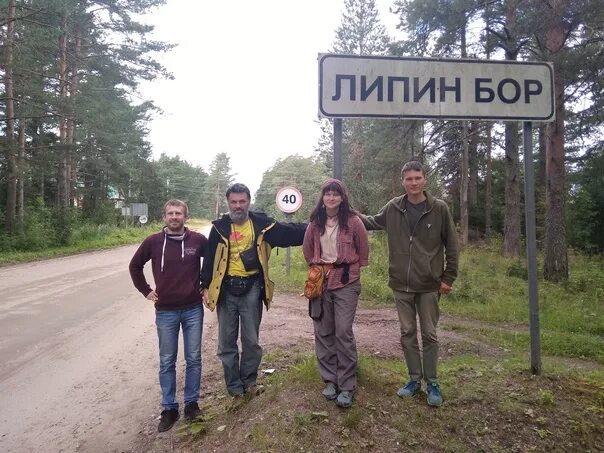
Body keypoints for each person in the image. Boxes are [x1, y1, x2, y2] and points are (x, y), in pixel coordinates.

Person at [360, 161, 458, 407]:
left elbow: (452, 246)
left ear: (425, 180)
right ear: (403, 181)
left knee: (430, 334)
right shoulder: (394, 207)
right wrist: (345, 212)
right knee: (407, 333)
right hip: (400, 283)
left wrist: (448, 278)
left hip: (429, 284)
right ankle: (414, 380)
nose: (413, 183)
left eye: (417, 178)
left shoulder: (439, 209)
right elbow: (372, 221)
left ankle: (432, 382)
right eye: (409, 179)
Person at [200, 183, 306, 397]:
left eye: (242, 201)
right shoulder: (219, 227)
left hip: (252, 289)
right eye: (234, 202)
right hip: (226, 290)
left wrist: (318, 226)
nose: (238, 206)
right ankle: (234, 388)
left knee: (251, 341)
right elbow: (210, 258)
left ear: (249, 201)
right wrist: (204, 286)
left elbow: (289, 233)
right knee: (226, 343)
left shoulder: (262, 224)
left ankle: (249, 381)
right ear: (228, 203)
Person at [129, 199, 207, 432]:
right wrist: (146, 291)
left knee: (193, 359)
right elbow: (134, 266)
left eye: (179, 213)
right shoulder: (153, 242)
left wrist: (205, 285)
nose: (174, 217)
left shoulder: (197, 240)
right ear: (164, 217)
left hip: (193, 308)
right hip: (165, 311)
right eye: (171, 213)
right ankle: (169, 408)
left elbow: (213, 260)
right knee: (167, 361)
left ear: (186, 216)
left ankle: (192, 405)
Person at [302, 179, 369, 409]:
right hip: (321, 282)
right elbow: (308, 251)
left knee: (343, 331)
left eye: (335, 194)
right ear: (322, 197)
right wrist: (319, 270)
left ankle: (347, 385)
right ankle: (330, 380)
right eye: (327, 194)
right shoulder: (314, 223)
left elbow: (363, 252)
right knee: (323, 331)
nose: (331, 197)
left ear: (342, 197)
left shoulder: (353, 222)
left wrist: (348, 270)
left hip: (347, 282)